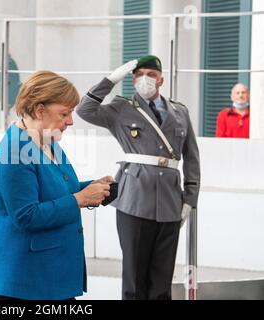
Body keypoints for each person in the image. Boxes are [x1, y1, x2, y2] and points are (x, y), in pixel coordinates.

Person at [0, 70, 112, 300]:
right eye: (64, 113)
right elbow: (26, 215)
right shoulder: (14, 151)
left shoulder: (47, 140)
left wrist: (94, 188)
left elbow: (55, 190)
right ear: (39, 110)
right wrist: (81, 199)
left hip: (48, 276)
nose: (70, 121)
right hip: (21, 282)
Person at [76, 55, 201, 300]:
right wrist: (110, 80)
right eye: (140, 74)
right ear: (132, 79)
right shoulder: (121, 108)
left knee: (162, 280)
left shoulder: (180, 112)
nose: (146, 80)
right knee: (134, 279)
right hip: (134, 200)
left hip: (170, 202)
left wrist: (190, 199)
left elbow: (192, 158)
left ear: (161, 79)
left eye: (151, 75)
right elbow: (84, 110)